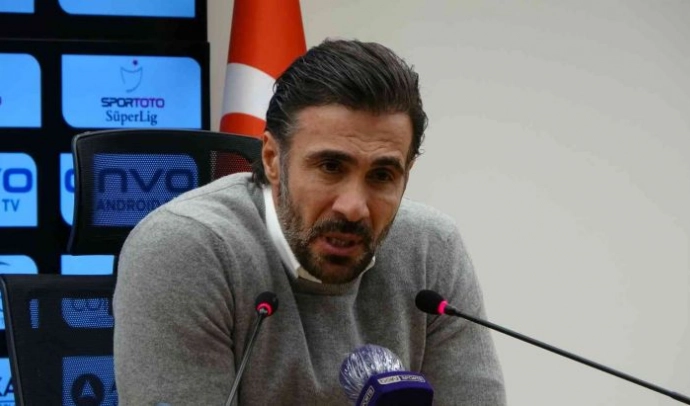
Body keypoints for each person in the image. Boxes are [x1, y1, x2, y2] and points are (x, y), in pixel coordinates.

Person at [113, 39, 506, 405]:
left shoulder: (431, 248)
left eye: (382, 175)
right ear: (272, 159)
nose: (353, 208)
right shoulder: (187, 248)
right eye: (331, 167)